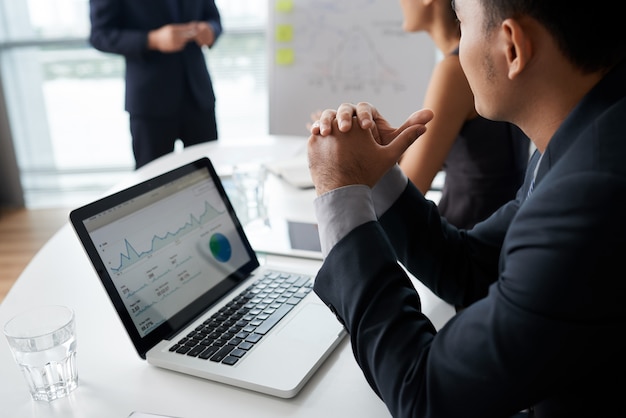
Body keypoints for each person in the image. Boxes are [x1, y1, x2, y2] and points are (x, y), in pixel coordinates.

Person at [307, 0, 626, 416]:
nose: (458, 46)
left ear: (512, 47)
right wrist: (375, 179)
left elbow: (424, 396)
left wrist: (341, 195)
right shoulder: (588, 132)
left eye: (462, 23)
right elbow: (473, 267)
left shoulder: (591, 194)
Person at [397, 0, 528, 229]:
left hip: (465, 241)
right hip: (502, 233)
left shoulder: (454, 70)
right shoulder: (494, 59)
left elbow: (405, 189)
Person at [89, 0, 222, 169]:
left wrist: (211, 30)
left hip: (198, 94)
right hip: (150, 100)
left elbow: (213, 18)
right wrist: (152, 40)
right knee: (152, 181)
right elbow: (100, 35)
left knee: (209, 173)